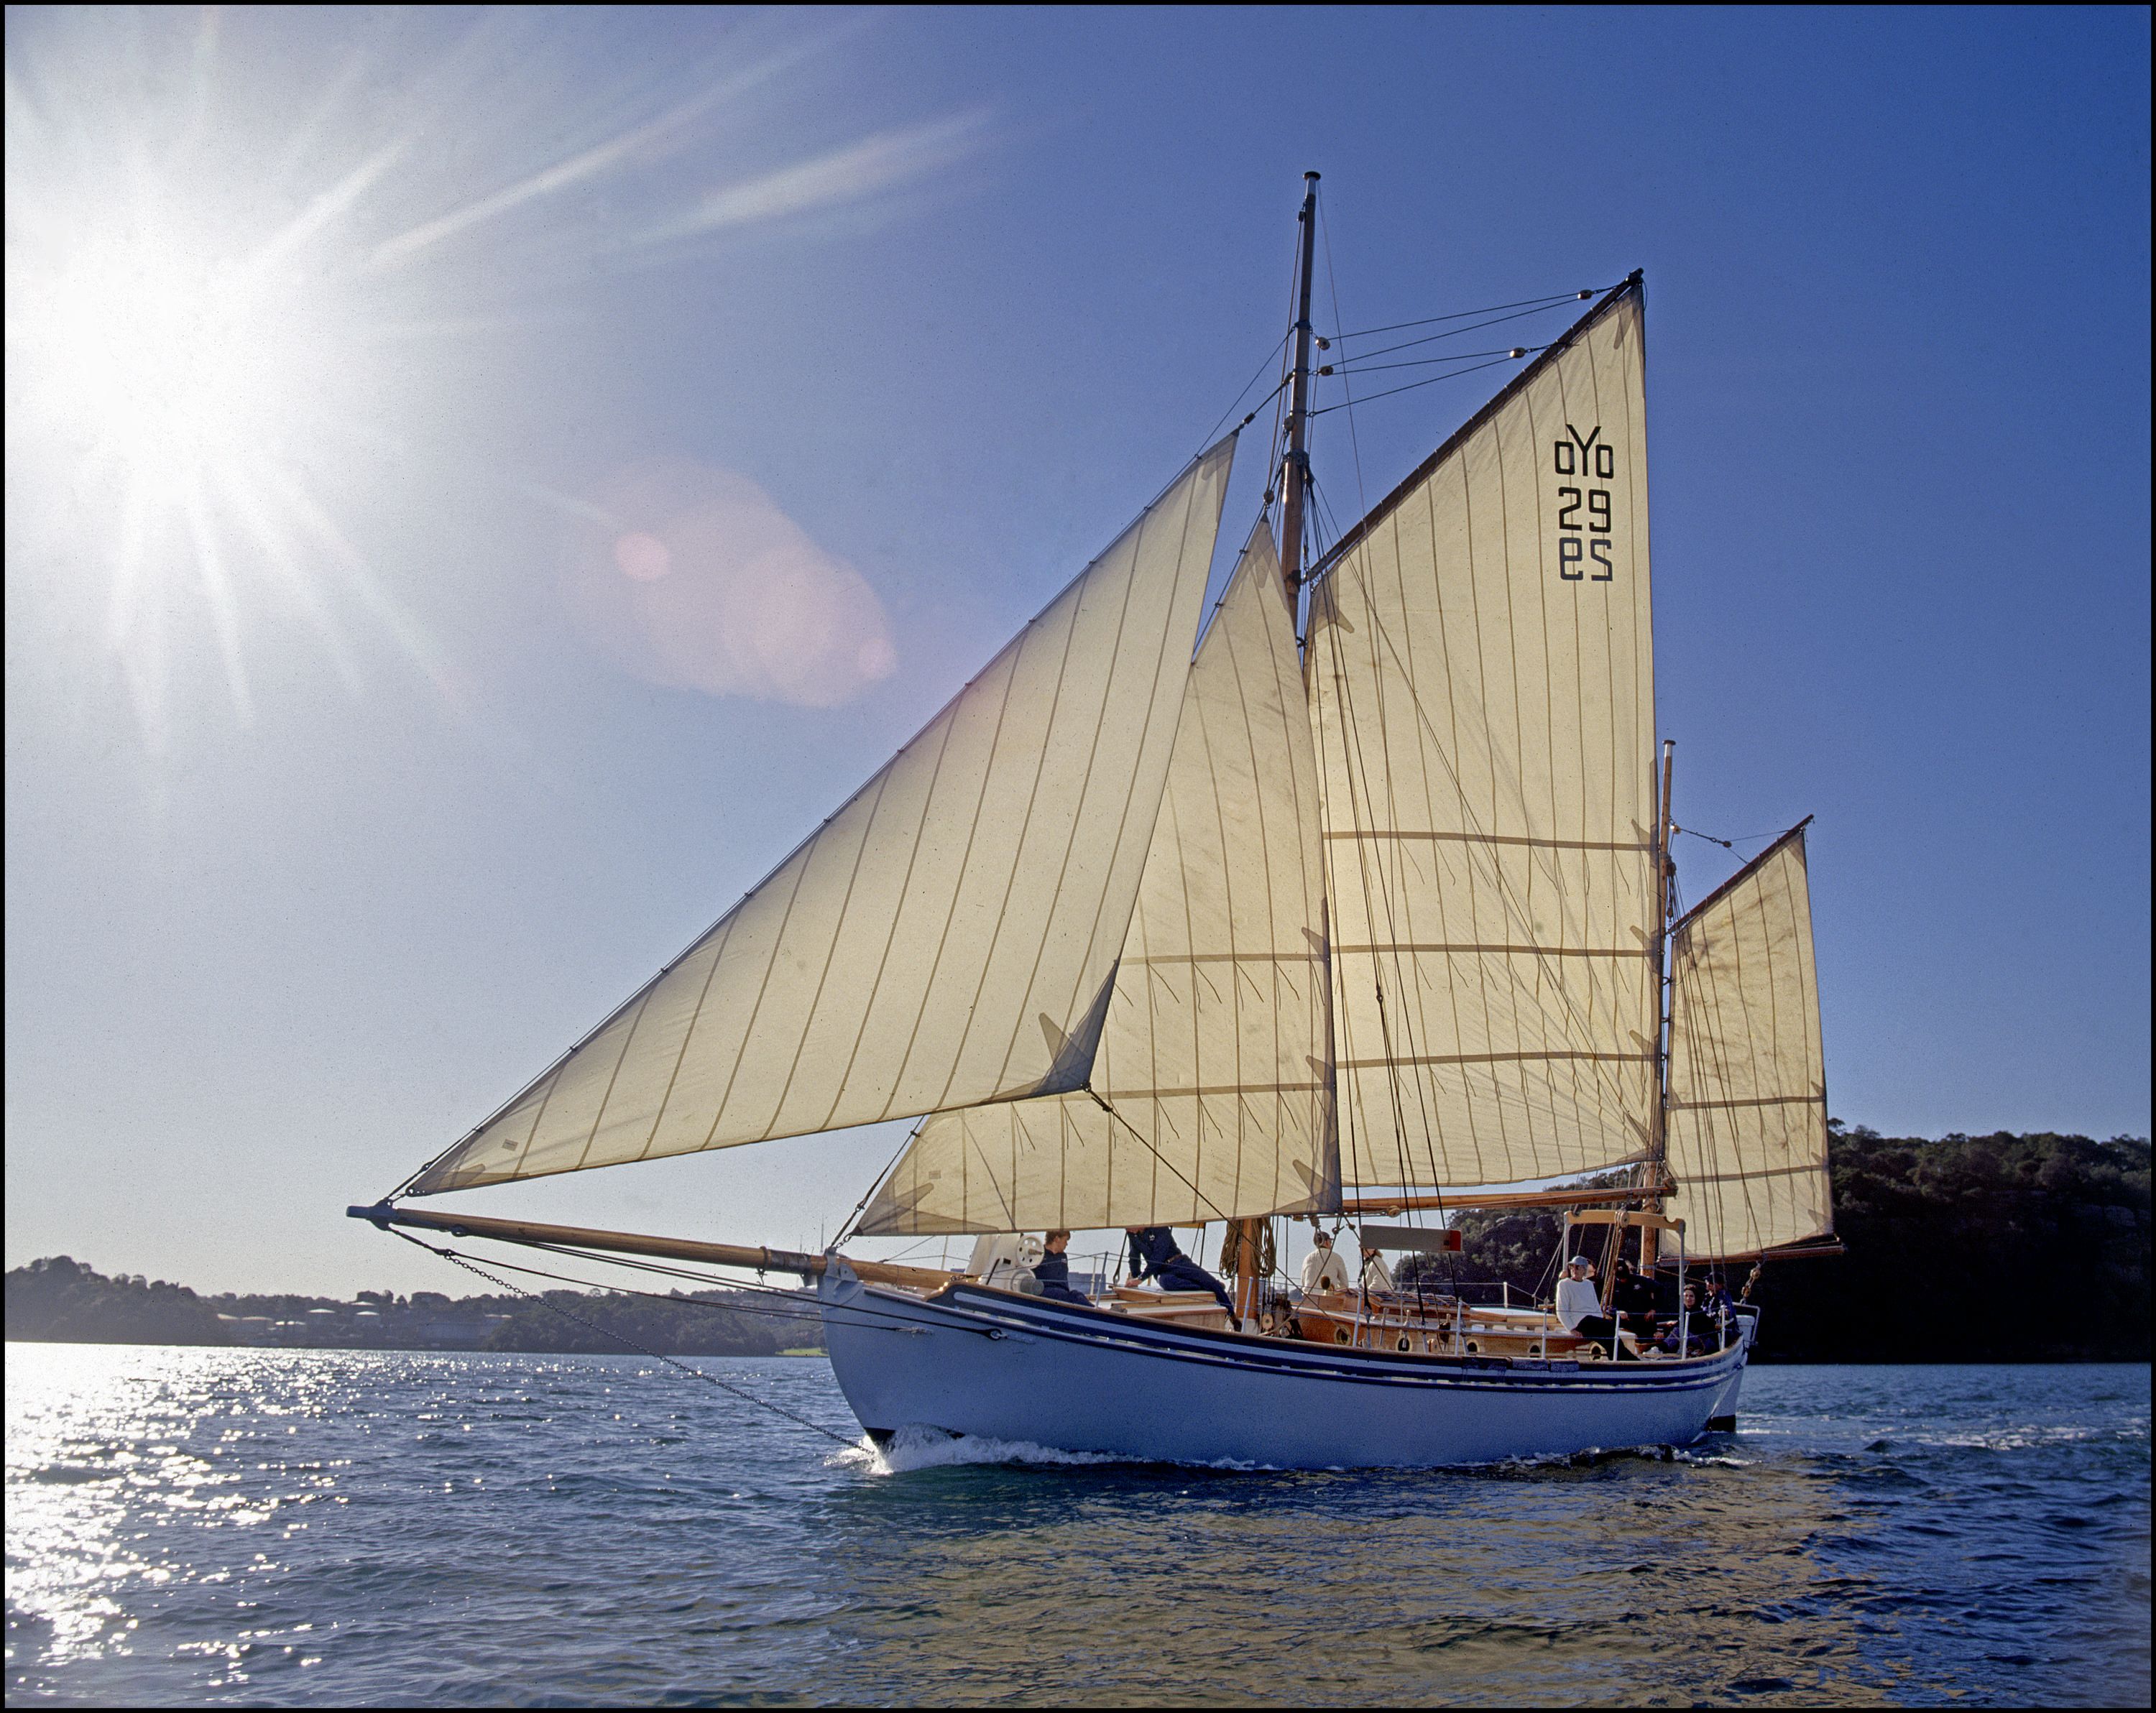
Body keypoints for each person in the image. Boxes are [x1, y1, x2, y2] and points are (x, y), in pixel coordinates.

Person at [1125, 1225, 1237, 1321]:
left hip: (1179, 1262)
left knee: (1213, 1284)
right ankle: (1202, 1286)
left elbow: (1158, 1256)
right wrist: (1135, 1278)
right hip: (1162, 1272)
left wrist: (1141, 1278)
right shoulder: (1133, 1234)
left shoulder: (1160, 1228)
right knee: (1167, 1283)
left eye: (1129, 1226)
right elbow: (1134, 1256)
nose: (1128, 1230)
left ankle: (1232, 1315)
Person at [1553, 1255, 1632, 1359]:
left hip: (1593, 1322)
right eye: (1572, 1267)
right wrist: (1571, 1329)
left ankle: (1621, 1357)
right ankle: (1626, 1357)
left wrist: (1601, 1321)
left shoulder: (1589, 1284)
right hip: (1580, 1322)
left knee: (1609, 1331)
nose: (1574, 1270)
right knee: (1605, 1326)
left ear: (1584, 1270)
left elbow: (1595, 1306)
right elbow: (1561, 1309)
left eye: (1577, 1267)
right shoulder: (1564, 1285)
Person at [1031, 1230, 1089, 1305]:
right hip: (1045, 1291)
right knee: (1075, 1296)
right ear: (1057, 1239)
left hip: (1062, 1292)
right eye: (1065, 1240)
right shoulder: (1039, 1254)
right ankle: (1098, 1311)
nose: (1067, 1244)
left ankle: (1096, 1310)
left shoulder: (1063, 1256)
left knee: (1076, 1295)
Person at [1611, 1257, 1659, 1344]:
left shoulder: (1641, 1280)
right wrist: (1618, 1312)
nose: (1623, 1280)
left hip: (1644, 1321)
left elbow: (1660, 1290)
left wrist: (1654, 1309)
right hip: (1625, 1322)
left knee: (1647, 1343)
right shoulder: (1612, 1286)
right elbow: (1606, 1306)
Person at [1300, 1229, 1352, 1294]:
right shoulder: (1336, 1258)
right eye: (1330, 1242)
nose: (1331, 1245)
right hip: (1328, 1299)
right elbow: (1345, 1285)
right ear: (1326, 1242)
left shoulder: (1307, 1259)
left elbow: (1303, 1283)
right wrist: (1335, 1291)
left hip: (1309, 1299)